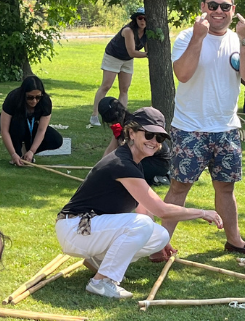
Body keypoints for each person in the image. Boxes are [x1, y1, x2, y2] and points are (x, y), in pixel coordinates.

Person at [55, 107, 225, 298]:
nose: (154, 141)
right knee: (141, 225)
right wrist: (203, 213)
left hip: (86, 228)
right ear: (131, 133)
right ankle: (101, 281)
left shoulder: (133, 162)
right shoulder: (122, 164)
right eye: (149, 134)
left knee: (160, 235)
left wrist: (159, 242)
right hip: (76, 228)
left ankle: (99, 263)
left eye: (159, 138)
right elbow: (161, 210)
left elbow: (143, 207)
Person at [162, 0, 245, 255]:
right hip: (189, 128)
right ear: (203, 7)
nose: (219, 11)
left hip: (226, 129)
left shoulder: (239, 39)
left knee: (226, 188)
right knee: (179, 187)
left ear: (233, 10)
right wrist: (198, 37)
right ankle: (160, 244)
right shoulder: (187, 36)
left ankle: (234, 240)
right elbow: (182, 74)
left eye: (225, 6)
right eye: (213, 5)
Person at [89, 8, 147, 126]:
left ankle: (122, 118)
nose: (143, 21)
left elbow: (147, 49)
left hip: (127, 59)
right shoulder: (128, 31)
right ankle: (94, 115)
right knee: (106, 85)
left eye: (146, 18)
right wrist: (150, 55)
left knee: (124, 89)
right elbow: (132, 52)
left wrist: (151, 54)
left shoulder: (147, 33)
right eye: (140, 18)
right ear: (135, 19)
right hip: (113, 56)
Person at [99, 96, 171, 185]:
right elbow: (111, 150)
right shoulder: (124, 123)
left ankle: (156, 177)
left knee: (122, 171)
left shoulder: (130, 125)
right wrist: (100, 167)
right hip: (156, 158)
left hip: (158, 162)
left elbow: (124, 153)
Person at [0, 76, 62, 165]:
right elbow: (4, 130)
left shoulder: (45, 102)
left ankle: (26, 151)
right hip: (13, 126)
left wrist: (32, 151)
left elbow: (41, 130)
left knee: (56, 139)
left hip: (30, 127)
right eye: (30, 97)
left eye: (38, 97)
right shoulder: (13, 98)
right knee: (19, 125)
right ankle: (18, 152)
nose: (34, 101)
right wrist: (13, 154)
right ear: (23, 94)